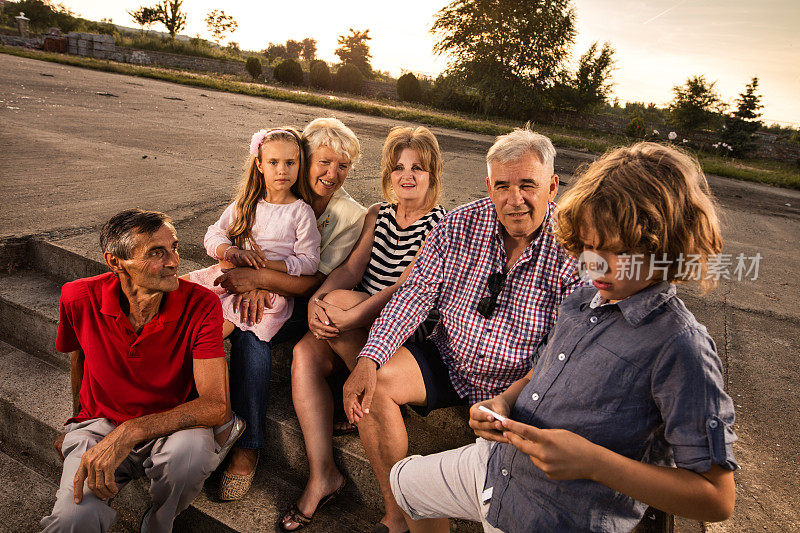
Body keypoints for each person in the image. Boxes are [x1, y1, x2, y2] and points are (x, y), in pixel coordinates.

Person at [390, 142, 738, 532]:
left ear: (665, 248)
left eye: (616, 252)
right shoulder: (588, 296)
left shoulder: (681, 346)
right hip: (497, 466)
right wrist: (505, 401)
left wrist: (592, 462)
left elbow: (717, 498)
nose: (593, 264)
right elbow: (544, 369)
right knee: (404, 484)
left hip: (555, 512)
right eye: (588, 246)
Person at [343, 127, 579, 532]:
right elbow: (414, 295)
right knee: (373, 383)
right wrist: (369, 357)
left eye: (528, 185)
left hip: (520, 387)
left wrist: (509, 398)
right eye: (502, 185)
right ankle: (396, 510)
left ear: (552, 186)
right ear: (489, 185)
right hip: (450, 360)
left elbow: (567, 351)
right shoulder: (457, 225)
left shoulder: (574, 248)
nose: (514, 199)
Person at [281, 126, 447, 531]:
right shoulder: (380, 214)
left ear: (432, 175)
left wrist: (347, 314)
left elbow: (406, 286)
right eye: (398, 167)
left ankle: (372, 400)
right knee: (303, 352)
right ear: (388, 173)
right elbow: (353, 268)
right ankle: (323, 474)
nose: (406, 176)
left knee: (337, 304)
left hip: (403, 327)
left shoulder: (441, 224)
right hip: (355, 318)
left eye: (417, 168)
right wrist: (319, 300)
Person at [41, 209, 240, 533]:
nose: (174, 261)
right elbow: (79, 359)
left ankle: (159, 524)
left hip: (173, 424)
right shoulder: (78, 297)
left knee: (190, 458)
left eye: (173, 247)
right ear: (116, 262)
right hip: (100, 424)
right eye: (156, 253)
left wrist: (130, 431)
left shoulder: (201, 304)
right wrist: (77, 422)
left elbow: (217, 406)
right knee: (72, 520)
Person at [212, 117, 367, 500]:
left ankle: (247, 449)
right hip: (267, 288)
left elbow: (318, 278)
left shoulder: (349, 215)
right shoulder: (265, 199)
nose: (332, 174)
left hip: (312, 302)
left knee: (250, 332)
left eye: (342, 166)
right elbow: (228, 235)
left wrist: (258, 281)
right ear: (305, 159)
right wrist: (241, 271)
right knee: (236, 322)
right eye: (323, 162)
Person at [186, 127, 321, 499]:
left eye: (291, 162)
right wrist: (231, 253)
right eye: (274, 161)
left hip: (271, 298)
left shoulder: (301, 212)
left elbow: (309, 262)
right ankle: (194, 407)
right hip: (229, 277)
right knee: (190, 313)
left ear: (300, 165)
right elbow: (212, 235)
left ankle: (241, 436)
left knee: (237, 332)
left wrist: (265, 269)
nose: (283, 170)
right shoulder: (246, 203)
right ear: (259, 164)